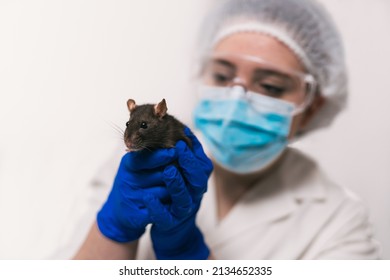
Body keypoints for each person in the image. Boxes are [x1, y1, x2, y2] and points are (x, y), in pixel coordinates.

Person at [73, 0, 380, 259]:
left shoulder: (339, 221)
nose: (236, 101)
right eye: (221, 77)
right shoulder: (138, 159)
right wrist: (114, 229)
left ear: (313, 105)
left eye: (270, 86)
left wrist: (188, 254)